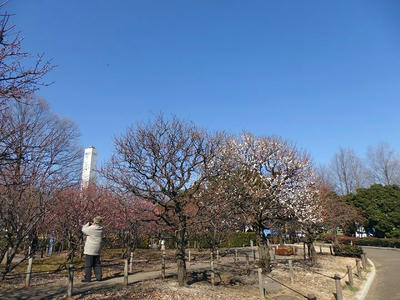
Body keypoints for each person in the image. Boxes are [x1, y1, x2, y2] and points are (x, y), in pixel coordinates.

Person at [81, 216, 104, 282]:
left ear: (94, 221)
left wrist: (87, 224)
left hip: (90, 249)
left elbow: (83, 230)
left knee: (88, 264)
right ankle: (99, 277)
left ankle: (87, 278)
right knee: (97, 264)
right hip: (97, 249)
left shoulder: (91, 228)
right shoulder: (101, 229)